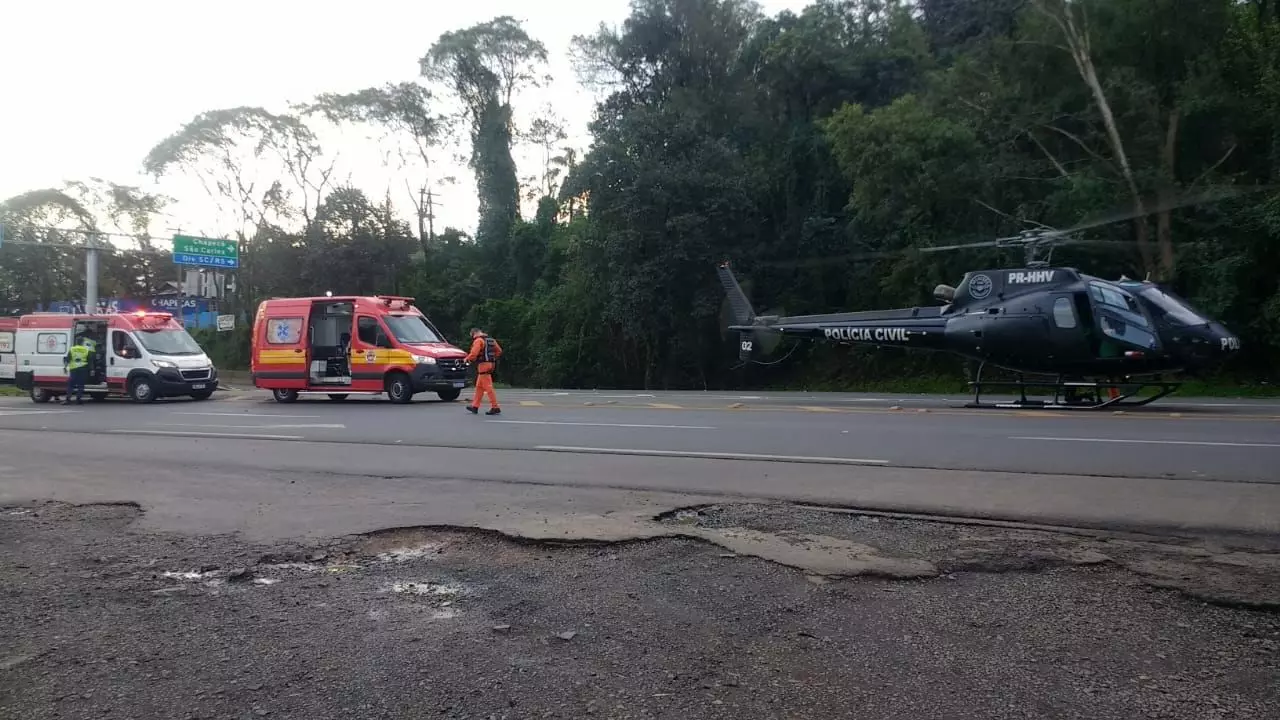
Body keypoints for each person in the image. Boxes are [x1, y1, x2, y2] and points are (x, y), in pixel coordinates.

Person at [463, 327, 502, 415]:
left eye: (472, 336)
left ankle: (495, 407)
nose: (473, 338)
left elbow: (474, 353)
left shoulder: (478, 340)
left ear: (474, 333)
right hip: (491, 364)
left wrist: (467, 359)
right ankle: (475, 406)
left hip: (483, 365)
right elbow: (499, 351)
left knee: (488, 387)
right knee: (479, 387)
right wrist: (492, 358)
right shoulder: (491, 340)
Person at [62, 335, 94, 405]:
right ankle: (78, 400)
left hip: (74, 369)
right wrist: (92, 370)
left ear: (76, 342)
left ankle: (68, 399)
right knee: (81, 385)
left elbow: (67, 359)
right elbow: (90, 361)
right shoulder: (86, 350)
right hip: (83, 369)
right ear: (82, 342)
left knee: (70, 385)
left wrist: (65, 367)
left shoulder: (72, 349)